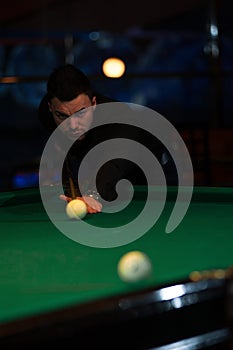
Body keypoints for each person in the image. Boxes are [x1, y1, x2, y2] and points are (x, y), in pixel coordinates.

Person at [38, 64, 175, 214]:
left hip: (148, 170)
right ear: (51, 108)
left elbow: (115, 163)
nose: (73, 125)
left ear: (94, 103)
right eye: (62, 116)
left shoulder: (120, 119)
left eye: (81, 113)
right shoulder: (47, 115)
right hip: (100, 164)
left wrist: (92, 195)